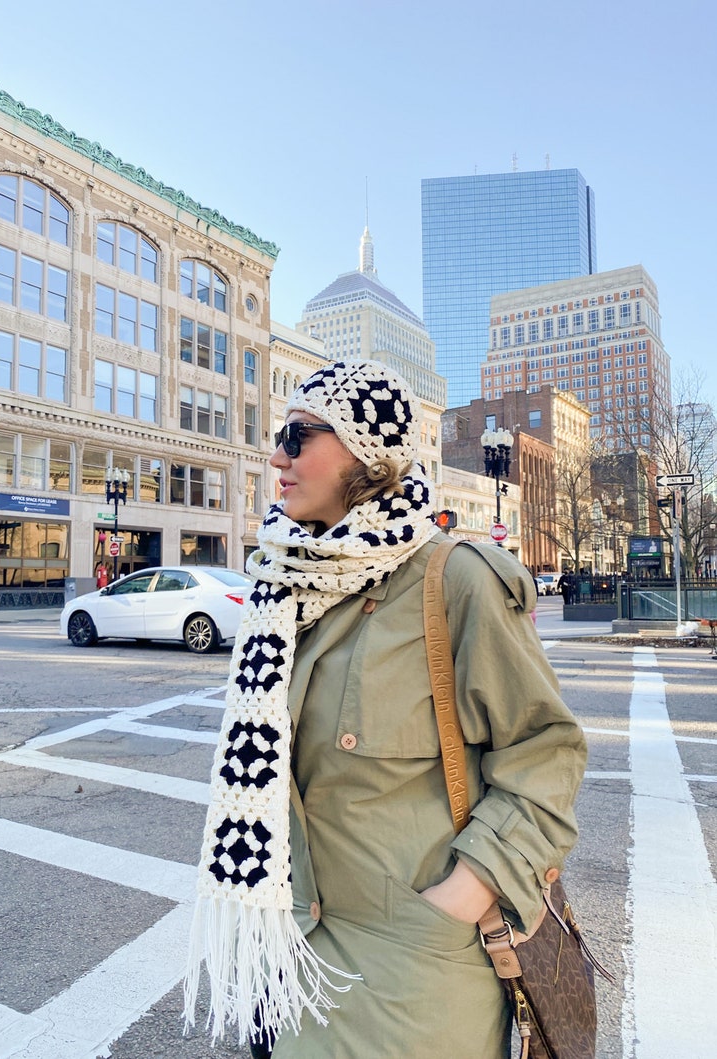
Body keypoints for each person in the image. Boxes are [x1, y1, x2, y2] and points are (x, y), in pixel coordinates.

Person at [183, 361, 587, 1059]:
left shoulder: (454, 580)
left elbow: (544, 755)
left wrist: (461, 897)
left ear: (363, 451)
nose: (276, 455)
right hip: (293, 967)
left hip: (415, 991)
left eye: (298, 435)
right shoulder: (287, 584)